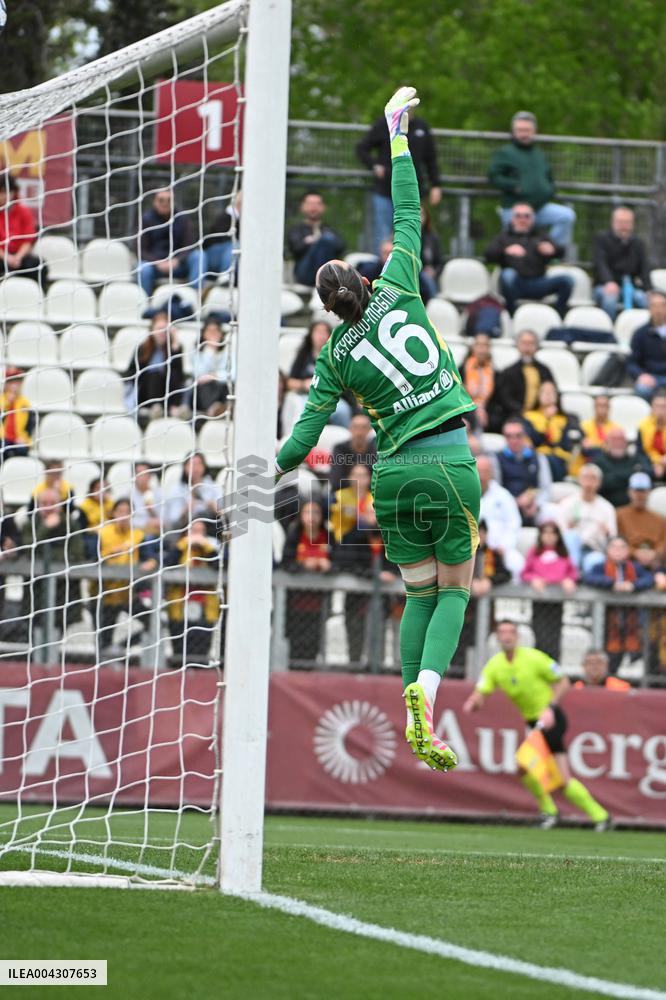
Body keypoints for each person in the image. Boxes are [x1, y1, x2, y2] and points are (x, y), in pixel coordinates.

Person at [276, 87, 479, 773]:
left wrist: (264, 463)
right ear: (364, 279)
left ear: (328, 310)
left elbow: (306, 436)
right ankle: (425, 695)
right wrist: (397, 134)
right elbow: (410, 206)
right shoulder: (398, 282)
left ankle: (408, 696)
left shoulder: (332, 355)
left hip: (390, 476)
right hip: (448, 458)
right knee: (455, 589)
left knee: (418, 591)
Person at [464, 620, 610, 830]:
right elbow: (482, 690)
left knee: (536, 768)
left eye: (510, 632)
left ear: (518, 637)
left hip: (550, 719)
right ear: (497, 638)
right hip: (533, 723)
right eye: (502, 632)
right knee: (539, 772)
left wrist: (550, 707)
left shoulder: (533, 657)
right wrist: (473, 702)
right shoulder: (496, 664)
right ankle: (588, 815)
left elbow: (563, 681)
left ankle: (571, 814)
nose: (506, 636)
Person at [355, 109, 441, 253]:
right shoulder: (384, 124)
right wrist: (375, 165)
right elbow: (361, 148)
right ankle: (384, 273)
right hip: (385, 190)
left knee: (412, 232)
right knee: (383, 236)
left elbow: (431, 159)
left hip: (412, 193)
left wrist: (436, 185)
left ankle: (411, 270)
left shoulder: (421, 126)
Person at [488, 111, 576, 249]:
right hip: (514, 209)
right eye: (520, 130)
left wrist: (549, 189)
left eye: (527, 130)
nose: (524, 134)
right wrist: (514, 186)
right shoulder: (505, 152)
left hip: (539, 208)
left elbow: (548, 176)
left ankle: (548, 252)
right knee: (513, 243)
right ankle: (509, 262)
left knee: (566, 216)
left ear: (534, 131)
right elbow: (494, 176)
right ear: (513, 131)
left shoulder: (538, 153)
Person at [333, 495, 400, 666]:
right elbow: (346, 563)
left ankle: (378, 665)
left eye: (376, 512)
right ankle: (354, 665)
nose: (373, 516)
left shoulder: (392, 537)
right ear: (362, 514)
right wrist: (374, 574)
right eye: (370, 512)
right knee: (355, 630)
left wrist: (389, 573)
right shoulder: (352, 537)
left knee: (381, 630)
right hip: (356, 598)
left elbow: (398, 562)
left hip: (384, 597)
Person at [485, 203, 572, 317]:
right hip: (515, 285)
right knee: (507, 274)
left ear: (533, 219)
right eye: (518, 216)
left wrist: (553, 250)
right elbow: (488, 256)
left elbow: (562, 252)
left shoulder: (541, 235)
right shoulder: (504, 237)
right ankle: (512, 315)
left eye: (526, 216)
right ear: (512, 218)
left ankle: (557, 316)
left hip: (539, 283)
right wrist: (505, 250)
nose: (522, 219)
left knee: (567, 280)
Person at [582, 536, 654, 674]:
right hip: (606, 622)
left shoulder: (635, 568)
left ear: (627, 551)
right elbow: (587, 577)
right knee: (608, 657)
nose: (618, 551)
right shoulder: (600, 567)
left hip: (630, 622)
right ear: (607, 550)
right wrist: (612, 584)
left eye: (622, 547)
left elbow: (649, 579)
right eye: (614, 547)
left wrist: (633, 585)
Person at [97, 497, 158, 659]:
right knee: (104, 637)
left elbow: (149, 556)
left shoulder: (137, 535)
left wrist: (151, 562)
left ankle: (121, 646)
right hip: (106, 593)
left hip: (128, 594)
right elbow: (91, 557)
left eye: (127, 512)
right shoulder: (102, 533)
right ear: (114, 513)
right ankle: (104, 664)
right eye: (120, 512)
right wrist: (110, 553)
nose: (123, 516)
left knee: (153, 621)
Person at [22, 486, 85, 640]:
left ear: (60, 504)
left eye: (52, 502)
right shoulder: (31, 523)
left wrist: (48, 554)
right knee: (36, 629)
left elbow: (77, 553)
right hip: (36, 589)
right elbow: (28, 549)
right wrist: (45, 528)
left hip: (65, 589)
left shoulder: (71, 524)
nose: (48, 507)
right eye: (44, 503)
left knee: (59, 628)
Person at [281, 499, 332, 666]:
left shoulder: (328, 537)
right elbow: (286, 564)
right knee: (295, 644)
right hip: (295, 603)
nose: (312, 517)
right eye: (307, 512)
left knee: (315, 643)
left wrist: (328, 566)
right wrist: (304, 564)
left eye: (316, 512)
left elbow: (341, 561)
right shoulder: (294, 536)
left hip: (320, 604)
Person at [165, 518, 220, 667]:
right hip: (180, 602)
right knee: (179, 644)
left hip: (205, 603)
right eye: (193, 531)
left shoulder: (211, 550)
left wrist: (206, 547)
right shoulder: (179, 548)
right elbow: (167, 564)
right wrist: (183, 544)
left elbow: (218, 566)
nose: (196, 535)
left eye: (200, 531)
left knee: (202, 645)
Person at [520, 521, 577, 660]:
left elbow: (573, 572)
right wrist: (534, 579)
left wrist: (568, 580)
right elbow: (524, 573)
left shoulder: (563, 553)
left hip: (556, 603)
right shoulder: (534, 552)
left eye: (553, 533)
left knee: (554, 637)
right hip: (539, 602)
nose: (549, 536)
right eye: (546, 532)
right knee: (540, 635)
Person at [137, 188, 204, 296]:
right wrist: (157, 262)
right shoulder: (146, 219)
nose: (165, 203)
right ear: (154, 202)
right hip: (155, 266)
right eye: (161, 200)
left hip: (178, 265)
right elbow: (140, 249)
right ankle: (145, 304)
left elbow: (189, 245)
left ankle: (194, 298)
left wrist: (178, 260)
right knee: (142, 268)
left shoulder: (182, 218)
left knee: (199, 256)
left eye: (169, 200)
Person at [286, 320, 352, 430]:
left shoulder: (338, 356)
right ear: (311, 335)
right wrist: (303, 384)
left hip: (332, 397)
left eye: (324, 332)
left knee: (343, 410)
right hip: (306, 396)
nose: (321, 336)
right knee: (300, 409)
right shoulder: (303, 356)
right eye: (317, 332)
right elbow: (289, 382)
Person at [123, 312, 186, 421]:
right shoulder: (142, 349)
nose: (162, 332)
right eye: (159, 328)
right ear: (152, 330)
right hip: (146, 392)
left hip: (166, 392)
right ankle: (155, 407)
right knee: (155, 374)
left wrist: (175, 343)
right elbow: (130, 374)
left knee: (173, 374)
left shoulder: (174, 349)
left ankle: (174, 408)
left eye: (165, 329)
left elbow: (180, 376)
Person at [487, 329, 555, 431]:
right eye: (524, 343)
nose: (527, 346)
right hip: (516, 415)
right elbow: (505, 398)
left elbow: (553, 392)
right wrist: (523, 412)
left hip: (541, 414)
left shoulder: (545, 370)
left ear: (537, 346)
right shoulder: (508, 372)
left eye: (531, 343)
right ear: (518, 345)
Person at [593, 207, 651, 320]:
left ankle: (642, 332)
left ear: (632, 224)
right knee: (610, 299)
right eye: (620, 222)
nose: (624, 226)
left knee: (644, 299)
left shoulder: (638, 243)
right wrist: (609, 282)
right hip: (605, 286)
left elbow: (644, 268)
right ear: (613, 222)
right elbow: (600, 264)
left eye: (627, 222)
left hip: (631, 288)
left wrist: (648, 289)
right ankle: (610, 333)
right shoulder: (602, 239)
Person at [556, 463, 616, 569]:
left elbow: (612, 536)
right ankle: (572, 569)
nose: (589, 483)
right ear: (579, 480)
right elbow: (560, 531)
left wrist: (606, 533)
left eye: (593, 479)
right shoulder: (567, 503)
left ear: (599, 483)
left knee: (595, 563)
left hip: (594, 549)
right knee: (570, 537)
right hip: (570, 548)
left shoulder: (607, 508)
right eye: (586, 478)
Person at [494, 418, 552, 525]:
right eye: (509, 436)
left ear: (525, 436)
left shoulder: (539, 458)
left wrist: (536, 504)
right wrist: (515, 502)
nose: (514, 440)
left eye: (518, 435)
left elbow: (545, 488)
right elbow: (495, 489)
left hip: (533, 507)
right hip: (506, 508)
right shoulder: (496, 459)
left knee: (551, 511)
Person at [523, 381, 582, 481]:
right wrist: (547, 420)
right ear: (538, 395)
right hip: (538, 458)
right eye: (544, 391)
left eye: (552, 391)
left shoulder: (568, 418)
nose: (548, 394)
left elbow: (568, 443)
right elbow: (534, 441)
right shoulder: (528, 417)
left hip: (561, 459)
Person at [476, 454, 524, 578]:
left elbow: (514, 524)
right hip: (470, 549)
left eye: (485, 471)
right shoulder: (462, 494)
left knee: (517, 562)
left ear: (491, 473)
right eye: (478, 471)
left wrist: (504, 545)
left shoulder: (503, 495)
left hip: (499, 547)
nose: (481, 476)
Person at [286, 191, 345, 287]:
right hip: (305, 273)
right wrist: (313, 242)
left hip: (328, 270)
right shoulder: (296, 230)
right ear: (302, 206)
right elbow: (296, 248)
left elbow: (341, 247)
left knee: (327, 239)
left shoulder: (328, 229)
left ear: (323, 207)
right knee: (326, 239)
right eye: (309, 204)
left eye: (317, 204)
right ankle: (323, 284)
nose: (313, 207)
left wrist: (318, 240)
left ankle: (323, 283)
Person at [0, 172, 46, 286]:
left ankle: (38, 296)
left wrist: (17, 257)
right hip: (1, 256)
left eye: (8, 192)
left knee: (39, 265)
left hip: (19, 256)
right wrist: (6, 258)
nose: (5, 196)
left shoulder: (23, 211)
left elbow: (28, 241)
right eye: (2, 192)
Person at [616, 472, 666, 571]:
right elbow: (616, 539)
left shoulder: (660, 520)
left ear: (649, 492)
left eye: (643, 491)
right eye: (636, 491)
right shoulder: (619, 514)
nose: (639, 495)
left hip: (655, 562)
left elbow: (663, 541)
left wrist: (655, 553)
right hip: (628, 562)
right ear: (629, 491)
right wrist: (634, 552)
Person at [160, 452, 218, 534]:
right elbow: (173, 519)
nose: (195, 468)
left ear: (204, 467)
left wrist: (214, 507)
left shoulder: (212, 486)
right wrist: (186, 509)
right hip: (185, 530)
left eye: (199, 464)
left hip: (210, 529)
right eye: (192, 464)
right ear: (185, 467)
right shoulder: (177, 489)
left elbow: (224, 513)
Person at [190, 313, 234, 418]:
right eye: (209, 331)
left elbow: (233, 375)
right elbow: (198, 375)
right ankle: (213, 409)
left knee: (224, 385)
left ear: (221, 333)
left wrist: (214, 376)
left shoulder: (228, 352)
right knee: (206, 386)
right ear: (204, 334)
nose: (213, 334)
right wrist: (210, 351)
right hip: (203, 392)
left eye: (216, 331)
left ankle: (225, 408)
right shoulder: (197, 353)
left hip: (222, 389)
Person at [596, 427, 651, 508]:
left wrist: (613, 476)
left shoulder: (637, 458)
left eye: (621, 439)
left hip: (633, 509)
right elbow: (601, 484)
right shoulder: (598, 461)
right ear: (607, 442)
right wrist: (631, 472)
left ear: (626, 442)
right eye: (614, 439)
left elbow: (648, 475)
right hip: (605, 508)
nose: (618, 442)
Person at [628, 290, 666, 401]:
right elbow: (632, 362)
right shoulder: (640, 333)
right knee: (642, 389)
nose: (658, 310)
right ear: (649, 308)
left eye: (662, 305)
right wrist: (641, 375)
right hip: (650, 376)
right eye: (654, 306)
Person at [328, 413, 377, 494]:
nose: (359, 432)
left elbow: (380, 481)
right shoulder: (340, 449)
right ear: (350, 428)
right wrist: (359, 479)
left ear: (369, 430)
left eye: (364, 427)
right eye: (356, 427)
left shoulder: (375, 450)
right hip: (343, 493)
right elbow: (335, 481)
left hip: (369, 495)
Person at [330, 462, 373, 543]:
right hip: (342, 538)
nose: (359, 479)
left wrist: (359, 515)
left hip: (366, 540)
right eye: (356, 475)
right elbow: (332, 510)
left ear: (369, 478)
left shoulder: (372, 498)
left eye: (363, 475)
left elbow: (373, 521)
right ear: (349, 477)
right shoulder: (339, 495)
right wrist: (343, 509)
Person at [203, 190, 241, 279]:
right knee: (235, 245)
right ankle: (226, 277)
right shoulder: (225, 217)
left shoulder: (240, 220)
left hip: (231, 260)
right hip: (212, 258)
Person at [461, 333, 495, 431]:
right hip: (467, 410)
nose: (481, 349)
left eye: (485, 345)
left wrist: (482, 408)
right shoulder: (461, 370)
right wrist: (476, 408)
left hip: (488, 412)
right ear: (473, 347)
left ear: (489, 348)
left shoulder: (496, 373)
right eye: (478, 345)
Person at [0, 367, 34, 459]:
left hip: (18, 439)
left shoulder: (24, 402)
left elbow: (29, 426)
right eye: (11, 382)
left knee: (22, 450)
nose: (14, 385)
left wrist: (25, 438)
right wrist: (7, 404)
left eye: (17, 382)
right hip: (2, 437)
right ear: (6, 384)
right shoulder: (1, 400)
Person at [77, 476, 113, 560]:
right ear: (92, 490)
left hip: (109, 534)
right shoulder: (84, 507)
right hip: (92, 536)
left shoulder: (112, 505)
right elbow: (81, 529)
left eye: (105, 489)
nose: (102, 491)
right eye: (98, 488)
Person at [638, 390, 666, 482]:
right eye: (657, 406)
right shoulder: (643, 426)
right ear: (652, 408)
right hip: (650, 463)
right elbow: (641, 452)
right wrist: (656, 463)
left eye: (663, 406)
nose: (660, 410)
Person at [580, 394, 619, 458]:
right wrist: (603, 446)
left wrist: (594, 445)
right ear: (594, 407)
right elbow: (585, 447)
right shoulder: (583, 426)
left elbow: (613, 449)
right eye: (599, 405)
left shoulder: (616, 429)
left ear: (609, 408)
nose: (602, 408)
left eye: (605, 405)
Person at [420, 203, 444, 301]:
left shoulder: (432, 237)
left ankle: (434, 306)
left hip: (427, 278)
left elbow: (440, 262)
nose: (419, 217)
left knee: (426, 278)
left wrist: (434, 271)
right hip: (410, 275)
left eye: (421, 214)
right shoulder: (402, 236)